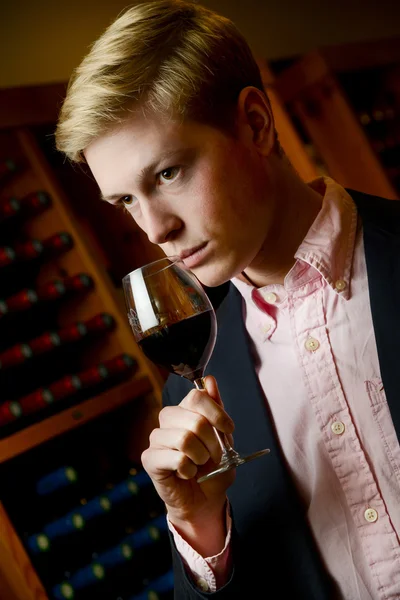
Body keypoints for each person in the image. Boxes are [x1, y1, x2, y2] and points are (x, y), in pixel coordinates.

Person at [55, 1, 400, 598]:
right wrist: (200, 529)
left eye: (166, 174)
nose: (154, 229)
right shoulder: (189, 392)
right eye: (126, 202)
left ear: (256, 123)